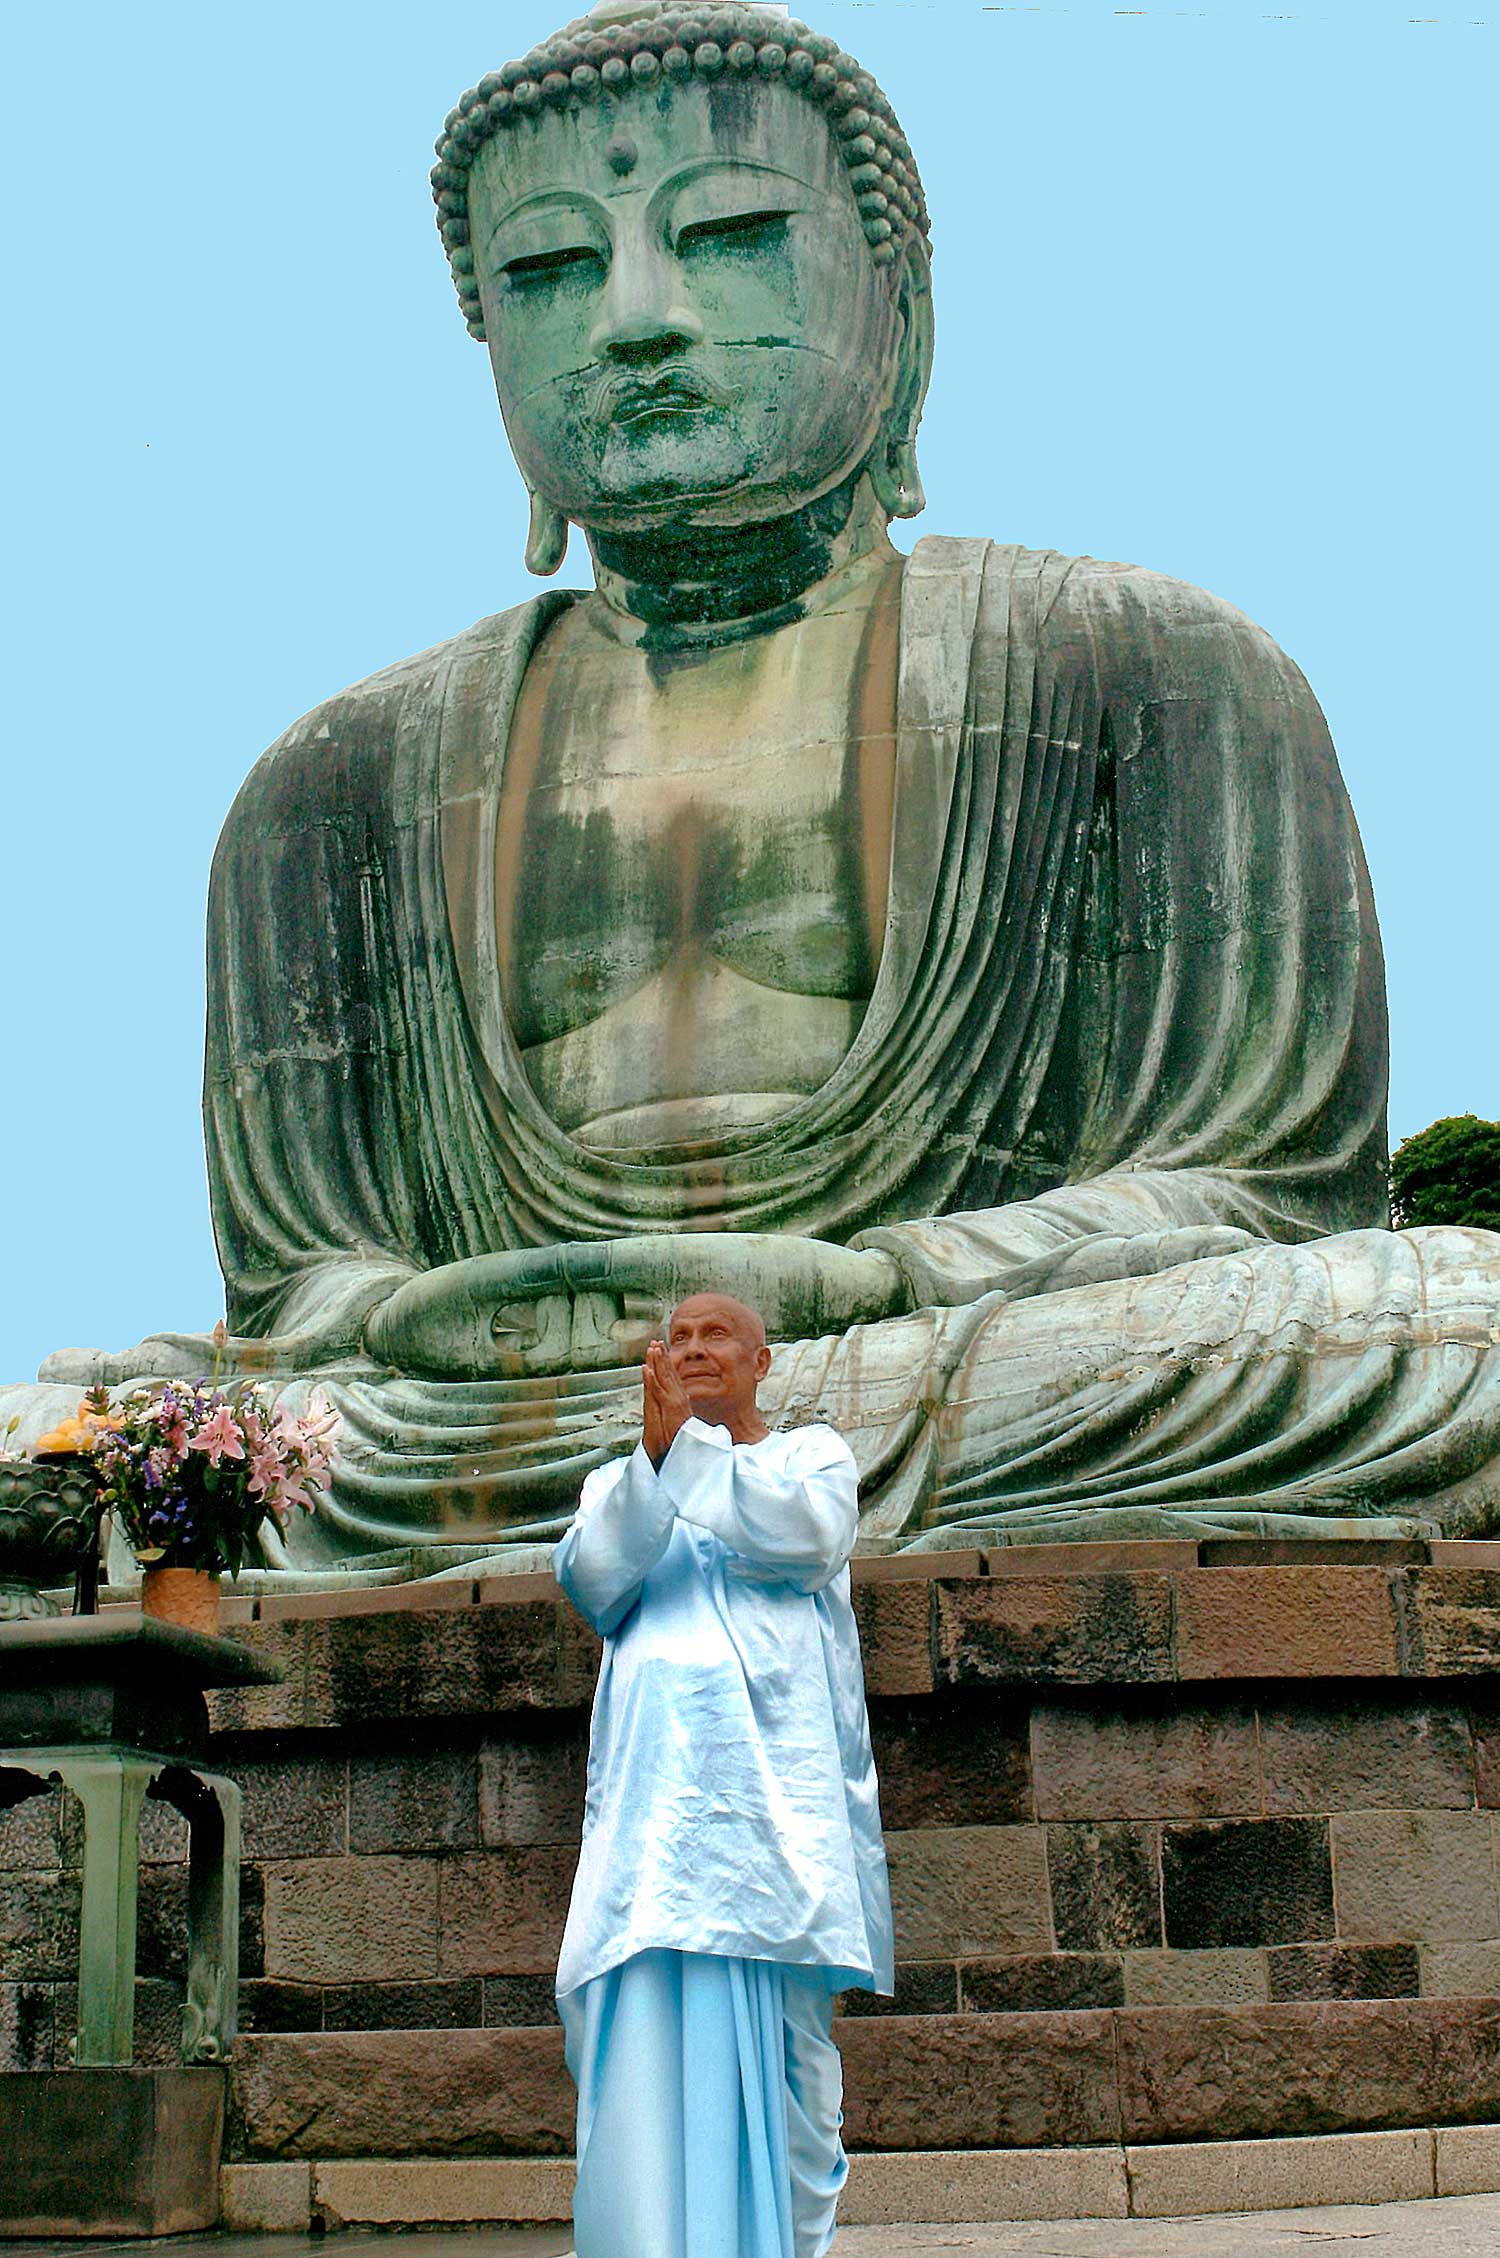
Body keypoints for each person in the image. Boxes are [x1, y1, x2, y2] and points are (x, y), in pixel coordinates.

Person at [8, 0, 1500, 1557]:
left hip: (939, 1356)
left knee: (1444, 1332)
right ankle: (614, 1495)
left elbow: (1261, 1194)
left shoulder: (1147, 666)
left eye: (723, 236)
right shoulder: (328, 791)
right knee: (65, 1438)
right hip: (472, 1410)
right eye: (550, 269)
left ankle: (625, 1501)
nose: (636, 320)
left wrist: (869, 1282)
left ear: (902, 315)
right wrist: (438, 1315)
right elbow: (310, 1293)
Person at [553, 1290, 892, 2258]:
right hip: (649, 1844)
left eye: (716, 1335)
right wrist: (653, 1468)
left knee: (796, 2094)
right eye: (679, 1336)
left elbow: (807, 1540)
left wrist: (685, 1458)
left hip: (774, 1836)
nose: (695, 1348)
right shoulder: (621, 1483)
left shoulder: (811, 1458)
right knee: (637, 2075)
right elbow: (593, 1579)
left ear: (761, 1360)